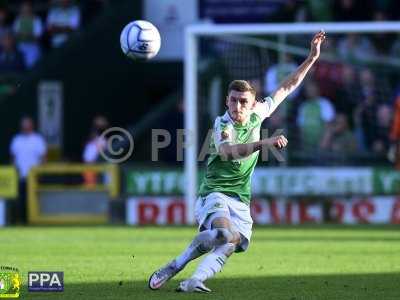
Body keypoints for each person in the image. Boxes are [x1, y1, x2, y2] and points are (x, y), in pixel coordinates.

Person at [148, 30, 326, 293]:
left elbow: (287, 86)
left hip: (241, 199)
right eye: (233, 101)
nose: (238, 107)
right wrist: (264, 143)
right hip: (215, 193)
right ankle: (176, 265)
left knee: (232, 243)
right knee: (223, 234)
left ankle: (194, 280)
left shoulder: (258, 113)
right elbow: (228, 151)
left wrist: (312, 57)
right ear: (226, 101)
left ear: (253, 103)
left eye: (243, 102)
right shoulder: (222, 124)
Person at [10, 116, 47, 224]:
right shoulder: (16, 140)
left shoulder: (37, 139)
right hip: (20, 176)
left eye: (27, 124)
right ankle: (20, 221)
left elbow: (43, 158)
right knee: (20, 199)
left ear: (32, 125)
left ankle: (34, 221)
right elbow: (12, 158)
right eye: (24, 124)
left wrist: (41, 172)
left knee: (33, 200)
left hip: (34, 176)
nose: (25, 126)